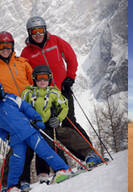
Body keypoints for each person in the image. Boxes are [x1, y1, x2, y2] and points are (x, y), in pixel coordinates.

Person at [21, 16, 102, 166]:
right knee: (50, 128)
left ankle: (91, 155)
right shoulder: (26, 53)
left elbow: (71, 58)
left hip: (62, 90)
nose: (38, 34)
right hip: (43, 97)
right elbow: (26, 76)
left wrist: (70, 77)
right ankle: (64, 165)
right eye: (34, 31)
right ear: (29, 33)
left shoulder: (56, 41)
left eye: (40, 30)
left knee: (69, 122)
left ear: (45, 30)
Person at [0, 78, 73, 192]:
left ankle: (63, 170)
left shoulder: (11, 99)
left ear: (1, 90)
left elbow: (26, 107)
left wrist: (36, 118)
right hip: (16, 139)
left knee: (45, 151)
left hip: (29, 131)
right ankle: (12, 186)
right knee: (16, 161)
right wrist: (6, 137)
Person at [21, 65, 98, 184]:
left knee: (67, 133)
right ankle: (60, 169)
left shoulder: (53, 92)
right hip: (35, 128)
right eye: (39, 78)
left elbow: (64, 106)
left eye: (45, 78)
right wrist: (27, 121)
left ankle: (90, 154)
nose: (42, 81)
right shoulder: (28, 93)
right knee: (46, 142)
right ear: (34, 78)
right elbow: (21, 109)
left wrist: (58, 119)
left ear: (50, 78)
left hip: (50, 124)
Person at [0, 31, 35, 191]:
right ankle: (9, 183)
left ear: (13, 46)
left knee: (33, 141)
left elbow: (33, 81)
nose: (5, 49)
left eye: (8, 46)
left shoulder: (22, 63)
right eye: (1, 46)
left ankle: (25, 180)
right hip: (10, 112)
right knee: (17, 144)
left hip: (27, 106)